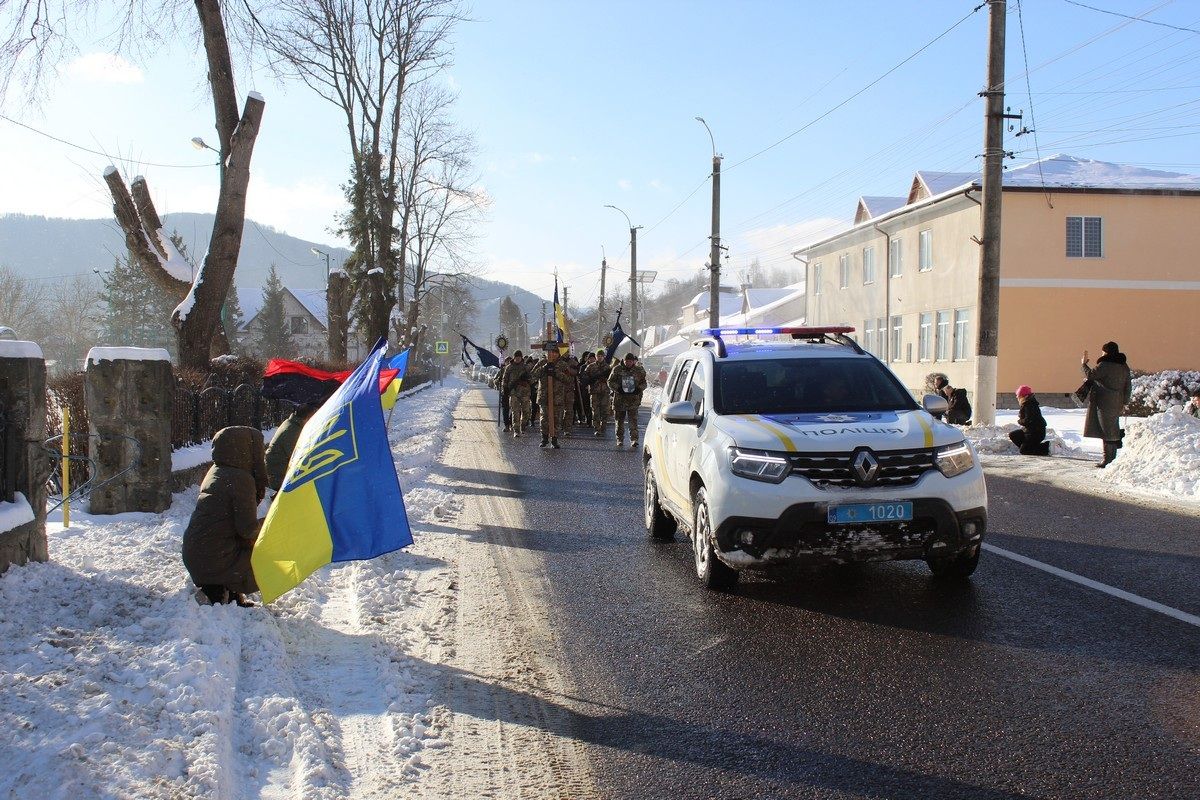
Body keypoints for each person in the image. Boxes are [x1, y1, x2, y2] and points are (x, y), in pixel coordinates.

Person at [182, 426, 267, 606]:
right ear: (248, 450)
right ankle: (220, 587)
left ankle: (224, 589)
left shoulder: (216, 471)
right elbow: (248, 530)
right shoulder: (240, 479)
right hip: (213, 558)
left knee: (236, 543)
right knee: (267, 553)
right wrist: (272, 523)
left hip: (197, 554)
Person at [1082, 341, 1132, 468]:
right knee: (1112, 429)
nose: (1102, 353)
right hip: (1118, 401)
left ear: (1106, 352)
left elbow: (1091, 375)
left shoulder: (1105, 364)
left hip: (1104, 402)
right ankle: (1111, 459)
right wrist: (1125, 402)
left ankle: (1108, 460)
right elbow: (1128, 386)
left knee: (1107, 431)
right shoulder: (1123, 366)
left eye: (1103, 351)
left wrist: (1084, 364)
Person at [264, 404, 318, 492]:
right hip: (279, 478)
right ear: (307, 418)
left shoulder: (292, 424)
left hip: (278, 473)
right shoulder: (292, 431)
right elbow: (300, 459)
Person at [531, 346, 573, 448]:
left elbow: (569, 379)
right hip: (544, 396)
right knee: (544, 418)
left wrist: (556, 373)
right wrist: (544, 368)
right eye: (551, 352)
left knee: (557, 419)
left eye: (555, 352)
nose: (553, 354)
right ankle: (544, 438)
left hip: (557, 397)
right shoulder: (542, 363)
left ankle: (554, 439)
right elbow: (533, 375)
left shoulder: (563, 365)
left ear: (558, 354)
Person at [607, 352, 647, 449]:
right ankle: (620, 439)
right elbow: (610, 381)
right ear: (623, 361)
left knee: (633, 421)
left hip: (633, 400)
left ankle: (634, 440)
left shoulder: (639, 370)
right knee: (619, 421)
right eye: (626, 361)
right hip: (620, 400)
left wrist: (639, 389)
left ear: (633, 361)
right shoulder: (617, 369)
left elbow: (644, 383)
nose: (628, 363)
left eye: (630, 361)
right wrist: (618, 388)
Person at [1008, 385, 1050, 456]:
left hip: (1036, 433)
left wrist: (1020, 421)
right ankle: (1029, 446)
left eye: (1018, 396)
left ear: (1023, 396)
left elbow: (1028, 420)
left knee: (1024, 451)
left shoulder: (1029, 405)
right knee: (1013, 435)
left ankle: (1046, 447)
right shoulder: (1027, 403)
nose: (1017, 397)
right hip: (1029, 431)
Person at [503, 351, 533, 437]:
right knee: (515, 412)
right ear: (514, 357)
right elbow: (505, 379)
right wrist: (505, 389)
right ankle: (516, 430)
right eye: (516, 357)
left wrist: (527, 378)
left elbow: (532, 377)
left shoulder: (526, 367)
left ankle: (523, 426)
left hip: (525, 393)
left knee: (526, 412)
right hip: (514, 393)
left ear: (521, 357)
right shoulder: (509, 367)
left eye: (519, 357)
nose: (517, 359)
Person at [585, 349, 613, 437]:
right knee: (595, 411)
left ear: (603, 356)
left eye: (601, 356)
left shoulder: (608, 367)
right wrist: (591, 380)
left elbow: (612, 378)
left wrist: (605, 380)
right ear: (596, 357)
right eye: (598, 356)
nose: (600, 358)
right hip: (594, 392)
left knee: (605, 411)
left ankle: (603, 427)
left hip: (605, 391)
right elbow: (584, 377)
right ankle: (597, 428)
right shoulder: (590, 367)